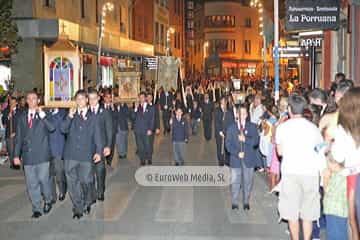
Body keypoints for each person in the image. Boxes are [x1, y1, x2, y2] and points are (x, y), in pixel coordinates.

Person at [275, 93, 325, 240]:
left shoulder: (283, 128)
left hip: (291, 173)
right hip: (310, 173)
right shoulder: (313, 128)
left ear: (289, 109)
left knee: (292, 213)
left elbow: (280, 152)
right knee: (308, 214)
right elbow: (320, 151)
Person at [61, 90, 102, 219]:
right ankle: (78, 207)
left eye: (82, 99)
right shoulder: (71, 115)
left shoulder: (93, 117)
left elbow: (98, 137)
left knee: (86, 181)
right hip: (70, 155)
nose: (79, 101)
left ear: (87, 100)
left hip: (86, 156)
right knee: (72, 183)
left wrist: (99, 152)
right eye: (77, 99)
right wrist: (69, 117)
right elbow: (63, 129)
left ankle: (87, 201)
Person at [13, 91, 55, 218]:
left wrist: (42, 115)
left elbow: (52, 128)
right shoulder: (22, 117)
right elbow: (19, 137)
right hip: (28, 155)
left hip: (42, 154)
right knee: (32, 183)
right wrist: (15, 155)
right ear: (26, 101)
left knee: (43, 180)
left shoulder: (45, 114)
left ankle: (48, 200)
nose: (31, 101)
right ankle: (36, 207)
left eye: (34, 99)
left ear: (38, 101)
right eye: (29, 99)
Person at [225, 104, 259, 210]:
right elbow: (228, 145)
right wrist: (236, 153)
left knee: (248, 182)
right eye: (240, 114)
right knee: (235, 182)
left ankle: (246, 201)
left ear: (247, 115)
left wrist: (245, 140)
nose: (242, 116)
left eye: (244, 113)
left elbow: (256, 141)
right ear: (237, 115)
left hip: (249, 160)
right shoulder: (231, 128)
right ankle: (234, 202)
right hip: (235, 160)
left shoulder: (252, 127)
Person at [88, 89, 113, 202]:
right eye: (90, 98)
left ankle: (100, 190)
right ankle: (92, 193)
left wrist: (108, 146)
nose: (92, 101)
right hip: (88, 146)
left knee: (100, 170)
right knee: (89, 171)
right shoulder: (86, 111)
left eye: (94, 98)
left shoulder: (104, 111)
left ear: (98, 98)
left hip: (101, 146)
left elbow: (109, 130)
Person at [323, 149, 348, 240]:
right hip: (342, 212)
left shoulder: (338, 177)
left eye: (327, 162)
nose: (326, 165)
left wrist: (325, 178)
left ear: (334, 163)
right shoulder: (344, 173)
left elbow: (328, 193)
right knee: (341, 233)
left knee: (335, 235)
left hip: (334, 211)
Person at [47, 108, 67, 202]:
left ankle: (62, 190)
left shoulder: (62, 112)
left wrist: (55, 111)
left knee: (59, 173)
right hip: (46, 149)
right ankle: (52, 196)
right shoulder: (45, 111)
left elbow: (59, 126)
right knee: (49, 175)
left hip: (58, 148)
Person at [133, 92, 155, 166]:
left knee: (147, 145)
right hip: (138, 130)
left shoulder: (150, 107)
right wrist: (135, 109)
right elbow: (132, 118)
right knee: (140, 146)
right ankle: (142, 160)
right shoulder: (137, 107)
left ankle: (149, 158)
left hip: (146, 130)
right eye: (140, 97)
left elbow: (152, 119)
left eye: (143, 97)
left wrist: (150, 129)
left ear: (145, 98)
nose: (141, 99)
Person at [2, 96, 20, 169]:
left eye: (13, 102)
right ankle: (13, 163)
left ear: (16, 103)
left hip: (18, 134)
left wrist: (16, 132)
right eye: (10, 103)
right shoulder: (6, 111)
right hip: (8, 135)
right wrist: (8, 116)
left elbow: (21, 124)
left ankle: (16, 162)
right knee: (10, 150)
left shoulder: (20, 111)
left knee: (17, 149)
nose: (12, 104)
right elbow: (4, 122)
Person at [214, 96, 233, 166]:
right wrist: (220, 132)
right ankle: (221, 162)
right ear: (220, 102)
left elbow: (231, 121)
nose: (223, 103)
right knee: (220, 149)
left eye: (224, 102)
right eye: (221, 102)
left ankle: (227, 161)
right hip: (219, 133)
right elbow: (216, 122)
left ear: (226, 102)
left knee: (227, 147)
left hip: (227, 133)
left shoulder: (229, 110)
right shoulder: (216, 110)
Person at [147, 92, 160, 165]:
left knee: (150, 143)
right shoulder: (144, 106)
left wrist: (158, 127)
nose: (149, 99)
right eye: (147, 97)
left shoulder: (155, 107)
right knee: (145, 143)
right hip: (144, 128)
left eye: (150, 97)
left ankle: (149, 158)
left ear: (152, 98)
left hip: (152, 128)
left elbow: (157, 117)